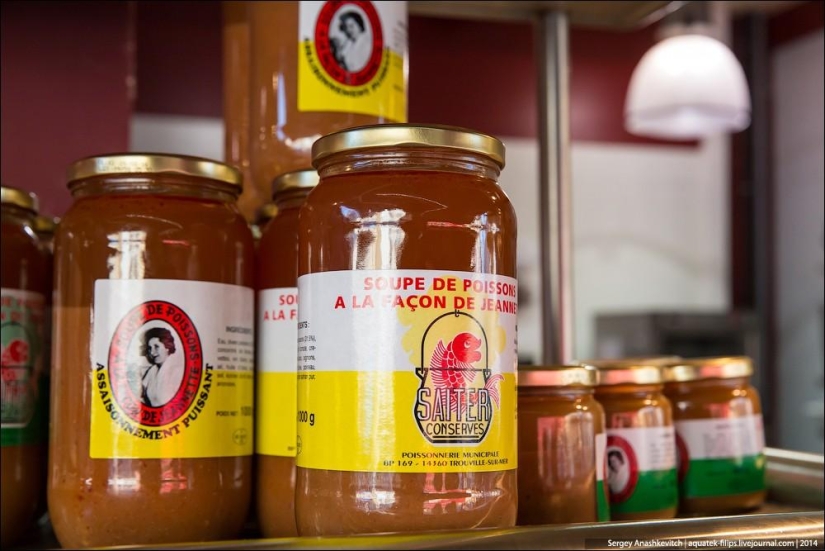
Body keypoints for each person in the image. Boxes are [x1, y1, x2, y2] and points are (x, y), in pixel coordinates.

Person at [138, 327, 184, 407]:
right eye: (150, 348)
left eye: (156, 347)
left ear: (167, 347)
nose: (152, 352)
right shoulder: (152, 371)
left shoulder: (177, 371)